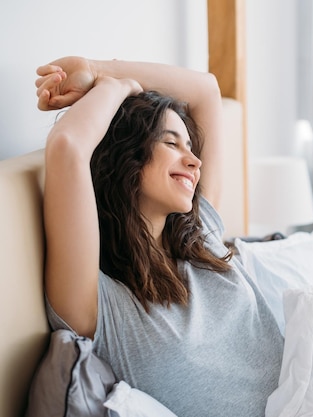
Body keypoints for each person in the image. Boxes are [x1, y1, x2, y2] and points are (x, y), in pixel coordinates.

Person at [36, 56, 284, 416]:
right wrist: (115, 88)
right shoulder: (106, 309)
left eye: (190, 146)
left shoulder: (201, 233)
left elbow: (206, 89)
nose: (195, 161)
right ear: (127, 160)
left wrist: (97, 69)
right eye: (172, 144)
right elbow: (68, 147)